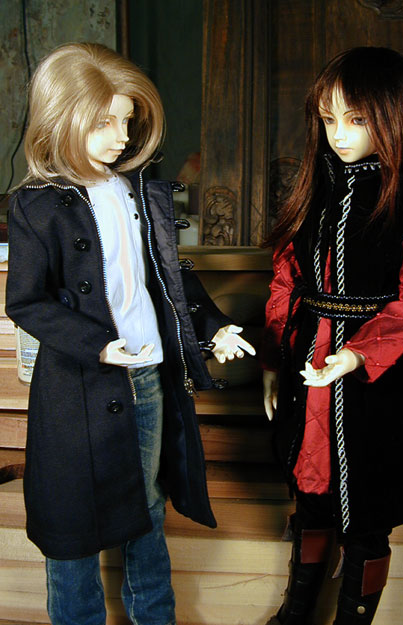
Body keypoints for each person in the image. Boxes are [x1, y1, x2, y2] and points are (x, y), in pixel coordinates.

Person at [6, 42, 255, 625]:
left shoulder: (138, 191)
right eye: (104, 122)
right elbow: (26, 301)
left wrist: (213, 327)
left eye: (126, 120)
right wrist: (95, 343)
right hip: (78, 385)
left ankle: (155, 616)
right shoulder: (36, 206)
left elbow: (170, 276)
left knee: (147, 504)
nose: (121, 136)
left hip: (147, 375)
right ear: (62, 117)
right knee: (71, 520)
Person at [261, 47, 403, 625]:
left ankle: (354, 617)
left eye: (357, 119)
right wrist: (272, 359)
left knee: (368, 509)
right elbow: (285, 280)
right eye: (329, 120)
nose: (340, 135)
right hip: (307, 365)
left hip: (379, 380)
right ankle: (297, 611)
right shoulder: (311, 194)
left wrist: (357, 354)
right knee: (311, 497)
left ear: (396, 117)